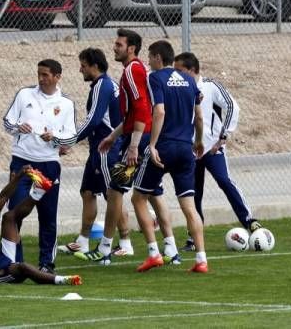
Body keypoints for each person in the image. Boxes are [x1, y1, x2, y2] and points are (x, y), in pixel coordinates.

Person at [76, 29, 181, 265]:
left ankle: (105, 249)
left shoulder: (133, 71)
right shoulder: (135, 70)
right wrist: (114, 136)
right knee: (153, 193)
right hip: (140, 137)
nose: (114, 48)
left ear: (131, 48)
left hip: (139, 140)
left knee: (115, 191)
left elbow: (142, 109)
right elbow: (134, 113)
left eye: (118, 44)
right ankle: (171, 250)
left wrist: (133, 145)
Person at [131, 40, 208, 273]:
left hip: (164, 147)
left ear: (157, 58)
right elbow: (199, 116)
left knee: (138, 198)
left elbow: (160, 110)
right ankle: (201, 259)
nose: (148, 61)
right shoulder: (189, 80)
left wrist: (152, 145)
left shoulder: (155, 78)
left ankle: (154, 253)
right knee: (189, 206)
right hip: (186, 148)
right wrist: (198, 141)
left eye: (149, 57)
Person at [174, 52, 263, 251]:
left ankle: (249, 220)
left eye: (179, 70)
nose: (176, 75)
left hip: (213, 148)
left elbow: (233, 107)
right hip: (189, 151)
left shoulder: (210, 86)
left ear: (192, 70)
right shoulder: (178, 89)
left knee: (224, 181)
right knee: (193, 194)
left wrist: (223, 137)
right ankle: (193, 238)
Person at [55, 48, 135, 257]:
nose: (80, 69)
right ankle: (83, 241)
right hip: (98, 149)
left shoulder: (103, 85)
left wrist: (70, 141)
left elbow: (94, 120)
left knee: (112, 195)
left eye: (83, 65)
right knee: (88, 192)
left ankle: (125, 242)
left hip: (107, 149)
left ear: (95, 66)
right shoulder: (106, 85)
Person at [2, 59, 77, 273]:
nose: (41, 79)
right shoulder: (24, 95)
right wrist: (18, 126)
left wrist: (55, 138)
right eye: (39, 74)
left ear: (57, 77)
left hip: (49, 164)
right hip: (22, 162)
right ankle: (11, 261)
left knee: (47, 214)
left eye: (45, 75)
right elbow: (7, 122)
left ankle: (46, 263)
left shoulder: (66, 104)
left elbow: (71, 137)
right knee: (14, 212)